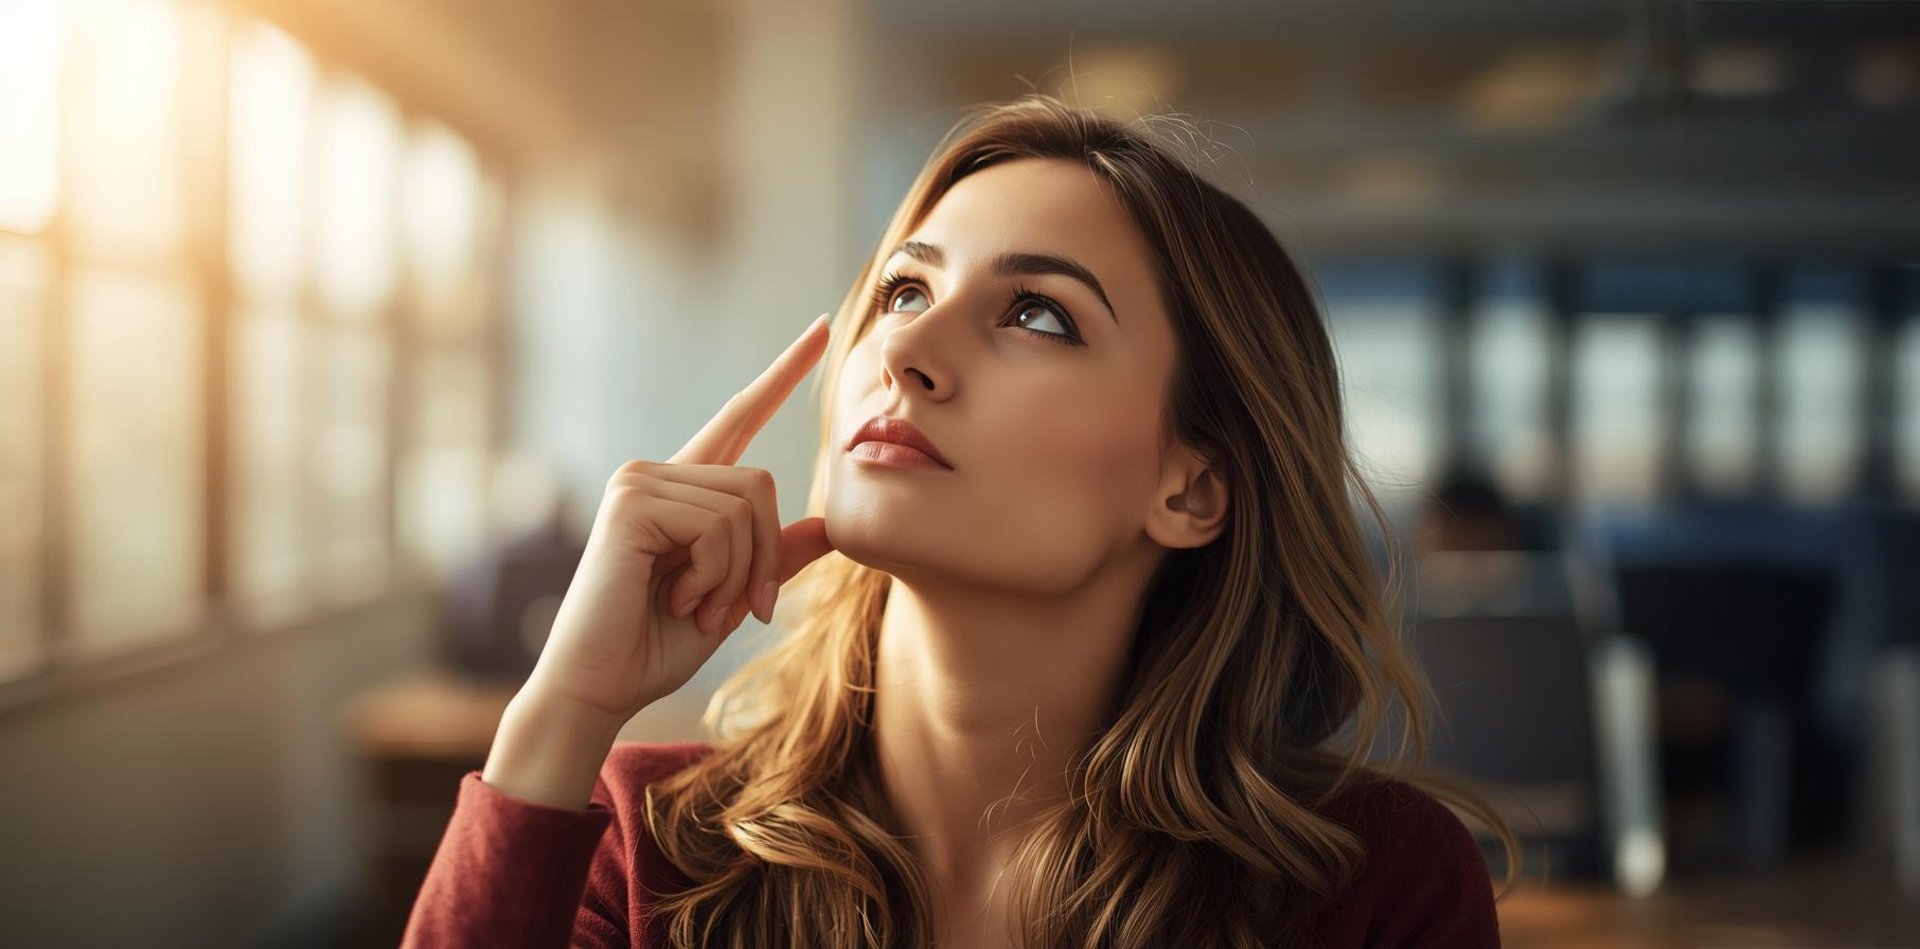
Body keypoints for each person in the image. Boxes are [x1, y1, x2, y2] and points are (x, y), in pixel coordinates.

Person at [403, 94, 1518, 948]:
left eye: (1038, 314)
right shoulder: (654, 846)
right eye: (904, 292)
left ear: (1191, 490)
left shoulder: (1374, 887)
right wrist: (563, 708)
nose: (905, 353)